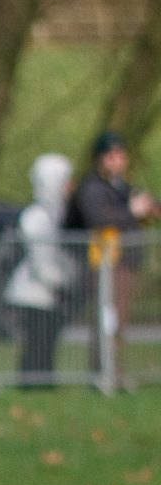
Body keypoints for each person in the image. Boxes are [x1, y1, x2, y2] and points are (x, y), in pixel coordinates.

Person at [67, 131, 157, 371]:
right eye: (110, 155)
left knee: (119, 321)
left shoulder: (121, 187)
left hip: (124, 262)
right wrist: (133, 212)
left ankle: (113, 371)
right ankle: (103, 373)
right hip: (106, 263)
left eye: (120, 154)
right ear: (99, 158)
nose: (115, 160)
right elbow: (98, 219)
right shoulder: (92, 187)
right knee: (107, 320)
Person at [6, 153, 78, 382]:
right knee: (36, 347)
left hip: (48, 294)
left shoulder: (57, 214)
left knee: (47, 347)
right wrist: (60, 280)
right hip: (33, 295)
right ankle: (32, 385)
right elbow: (41, 260)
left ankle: (43, 384)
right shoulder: (37, 217)